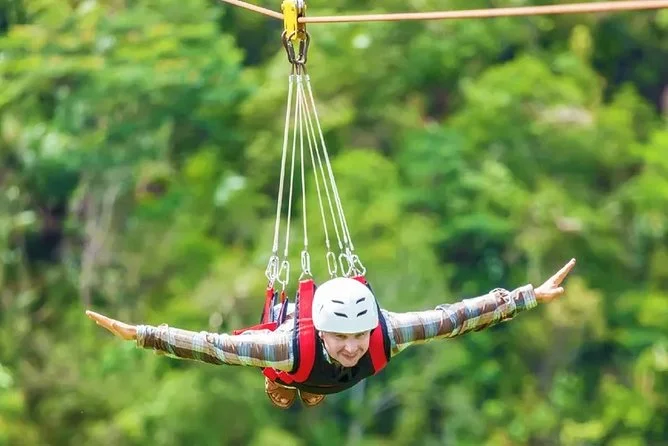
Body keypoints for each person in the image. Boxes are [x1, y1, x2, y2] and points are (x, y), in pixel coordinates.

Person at [86, 258, 576, 409]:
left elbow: (455, 317)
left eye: (359, 335)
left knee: (325, 381)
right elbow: (214, 347)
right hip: (294, 368)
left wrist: (528, 295)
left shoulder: (387, 333)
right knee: (288, 383)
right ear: (321, 333)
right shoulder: (283, 347)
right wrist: (142, 334)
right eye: (341, 338)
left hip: (320, 372)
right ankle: (291, 387)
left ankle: (310, 390)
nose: (353, 346)